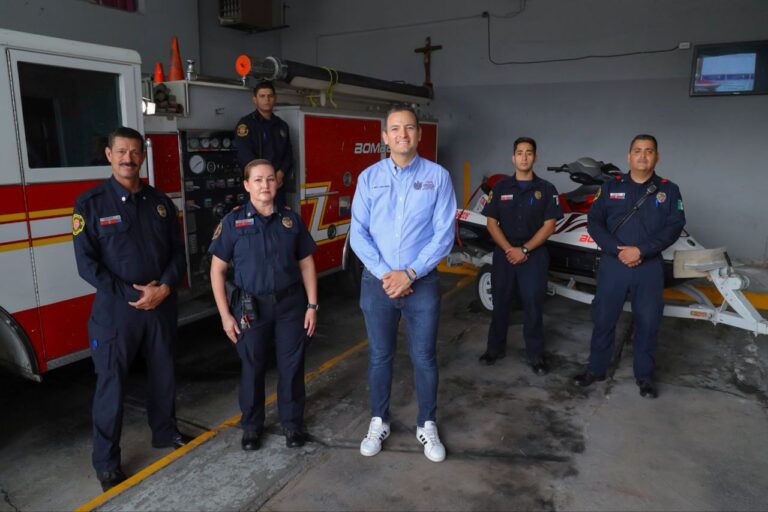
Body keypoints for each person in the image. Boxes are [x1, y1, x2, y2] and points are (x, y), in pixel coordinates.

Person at [72, 126, 189, 492]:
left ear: (142, 156)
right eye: (121, 151)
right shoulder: (89, 205)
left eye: (135, 152)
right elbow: (87, 265)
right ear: (109, 155)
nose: (128, 158)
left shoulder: (159, 202)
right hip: (116, 312)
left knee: (164, 372)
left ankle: (165, 432)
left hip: (160, 304)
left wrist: (165, 287)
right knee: (111, 385)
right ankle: (106, 463)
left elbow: (177, 251)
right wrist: (131, 295)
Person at [350, 105, 457, 463]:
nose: (402, 135)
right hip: (377, 283)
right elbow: (358, 234)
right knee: (380, 356)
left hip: (421, 284)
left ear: (419, 134)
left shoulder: (438, 177)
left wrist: (409, 274)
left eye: (409, 128)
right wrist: (388, 275)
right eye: (395, 129)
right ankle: (379, 420)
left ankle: (427, 423)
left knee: (424, 356)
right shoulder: (368, 178)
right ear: (385, 137)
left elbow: (444, 234)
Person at [209, 159, 318, 451]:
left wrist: (312, 305)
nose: (265, 185)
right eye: (257, 180)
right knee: (252, 367)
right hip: (249, 309)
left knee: (292, 367)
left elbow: (307, 264)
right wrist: (224, 316)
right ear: (246, 185)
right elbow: (217, 271)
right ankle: (252, 427)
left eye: (270, 179)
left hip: (290, 306)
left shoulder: (290, 220)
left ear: (277, 183)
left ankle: (293, 425)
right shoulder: (232, 223)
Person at [573, 134, 685, 398]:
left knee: (648, 322)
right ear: (629, 156)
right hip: (614, 265)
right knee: (603, 319)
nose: (643, 156)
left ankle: (644, 377)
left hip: (649, 267)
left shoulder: (669, 190)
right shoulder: (611, 186)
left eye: (649, 151)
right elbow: (594, 222)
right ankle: (596, 369)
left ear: (657, 157)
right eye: (637, 150)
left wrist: (641, 251)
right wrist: (616, 250)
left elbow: (674, 226)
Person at [478, 137, 563, 374]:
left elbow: (549, 226)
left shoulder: (546, 189)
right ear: (513, 157)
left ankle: (536, 355)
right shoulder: (501, 188)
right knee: (500, 303)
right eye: (519, 152)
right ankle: (494, 349)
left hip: (533, 256)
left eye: (529, 153)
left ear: (535, 157)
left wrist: (524, 249)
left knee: (533, 305)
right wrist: (508, 249)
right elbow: (492, 223)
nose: (524, 157)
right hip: (505, 254)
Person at [234, 80, 293, 209]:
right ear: (255, 100)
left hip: (277, 185)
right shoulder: (246, 124)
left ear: (275, 98)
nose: (267, 99)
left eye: (270, 96)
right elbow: (245, 156)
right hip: (257, 187)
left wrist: (280, 174)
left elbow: (288, 154)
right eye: (262, 96)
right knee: (255, 223)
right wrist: (264, 178)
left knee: (279, 221)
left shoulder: (282, 126)